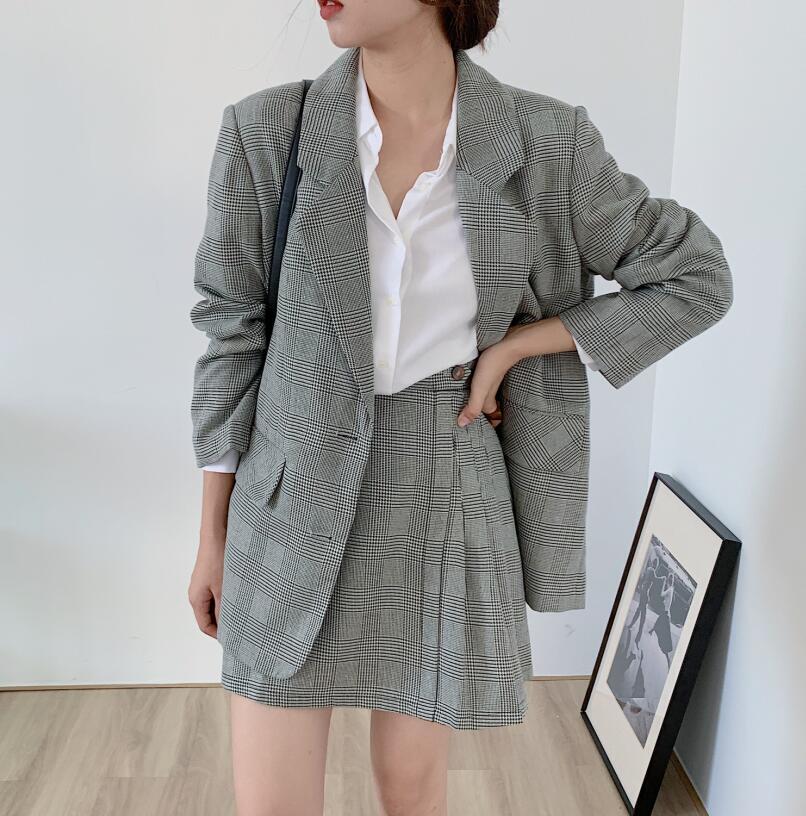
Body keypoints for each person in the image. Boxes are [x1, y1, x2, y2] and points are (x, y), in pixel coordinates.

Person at [187, 2, 733, 814]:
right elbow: (232, 331)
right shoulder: (267, 132)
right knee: (272, 803)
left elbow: (697, 278)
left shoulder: (545, 143)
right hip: (289, 499)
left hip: (444, 488)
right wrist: (211, 535)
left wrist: (520, 346)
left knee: (413, 792)